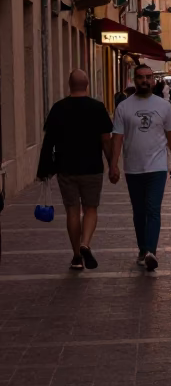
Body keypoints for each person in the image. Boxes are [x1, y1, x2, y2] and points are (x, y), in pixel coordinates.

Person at [37, 69, 113, 270]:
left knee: (72, 210)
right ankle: (85, 243)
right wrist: (113, 164)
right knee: (90, 208)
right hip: (92, 168)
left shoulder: (58, 108)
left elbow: (48, 141)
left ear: (69, 85)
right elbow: (106, 139)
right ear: (87, 85)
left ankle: (77, 256)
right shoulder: (97, 108)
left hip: (66, 168)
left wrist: (44, 169)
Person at [109, 62, 171, 271]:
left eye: (149, 77)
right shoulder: (124, 107)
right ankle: (142, 248)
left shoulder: (163, 106)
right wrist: (113, 165)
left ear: (154, 80)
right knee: (139, 211)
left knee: (153, 208)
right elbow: (117, 137)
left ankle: (151, 251)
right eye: (141, 77)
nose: (145, 81)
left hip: (157, 167)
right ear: (134, 79)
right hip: (133, 167)